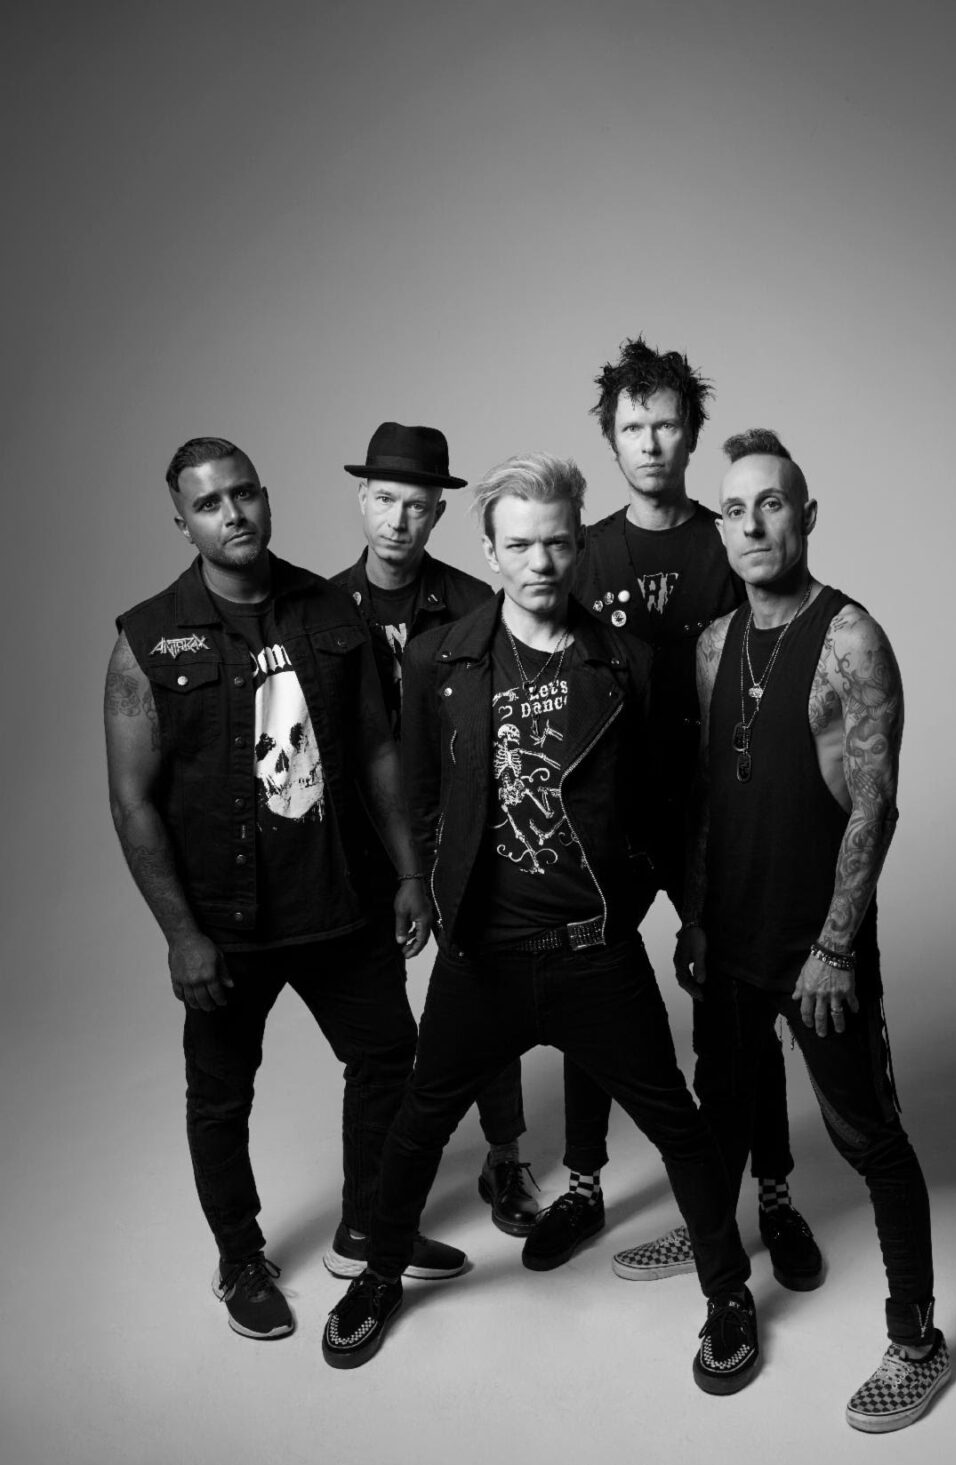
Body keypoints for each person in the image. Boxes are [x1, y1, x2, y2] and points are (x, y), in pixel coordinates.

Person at [321, 453, 759, 1396]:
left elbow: (666, 805)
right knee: (418, 1125)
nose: (540, 563)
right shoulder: (441, 658)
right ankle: (379, 1276)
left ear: (577, 546)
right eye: (518, 546)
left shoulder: (626, 662)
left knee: (678, 1126)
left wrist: (681, 913)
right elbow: (423, 792)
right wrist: (432, 889)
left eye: (556, 543)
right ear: (489, 551)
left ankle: (728, 1295)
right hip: (482, 954)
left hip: (592, 951)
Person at [104, 436, 465, 1343]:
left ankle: (365, 1228)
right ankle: (240, 1258)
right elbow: (132, 801)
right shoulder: (148, 639)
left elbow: (377, 749)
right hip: (226, 923)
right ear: (182, 523)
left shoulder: (331, 611)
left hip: (340, 899)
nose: (232, 515)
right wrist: (181, 934)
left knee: (388, 1059)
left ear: (266, 497)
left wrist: (410, 873)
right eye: (208, 504)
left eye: (243, 495)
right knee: (221, 1096)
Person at [523, 336, 822, 1292]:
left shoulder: (728, 537)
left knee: (737, 1016)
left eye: (665, 425)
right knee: (590, 1005)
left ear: (691, 434)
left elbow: (779, 654)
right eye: (632, 427)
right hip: (607, 821)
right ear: (610, 440)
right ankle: (583, 1183)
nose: (649, 443)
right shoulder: (583, 550)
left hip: (712, 818)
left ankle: (773, 1196)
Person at [676, 427, 951, 1431]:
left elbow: (873, 804)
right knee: (721, 1107)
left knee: (865, 1134)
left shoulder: (849, 639)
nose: (752, 525)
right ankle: (715, 1242)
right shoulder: (712, 646)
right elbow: (712, 802)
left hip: (813, 951)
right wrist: (697, 918)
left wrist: (835, 946)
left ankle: (915, 1340)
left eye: (772, 504)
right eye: (733, 509)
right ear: (719, 528)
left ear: (805, 516)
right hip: (730, 939)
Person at [329, 421, 538, 1242]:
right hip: (358, 842)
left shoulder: (474, 605)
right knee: (379, 1026)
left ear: (439, 514)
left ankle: (505, 1157)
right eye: (385, 500)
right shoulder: (322, 609)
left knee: (483, 991)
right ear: (362, 499)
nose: (398, 521)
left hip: (457, 831)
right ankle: (384, 1192)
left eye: (417, 506)